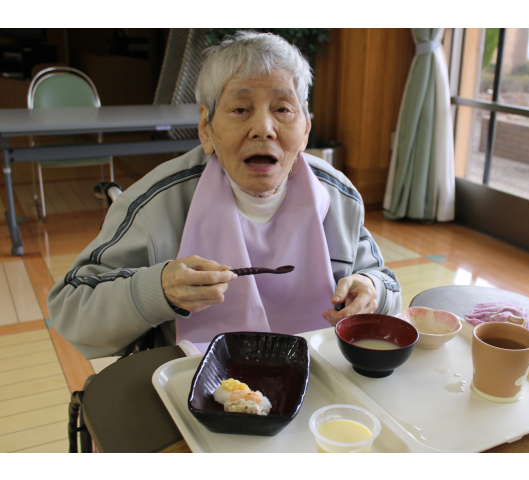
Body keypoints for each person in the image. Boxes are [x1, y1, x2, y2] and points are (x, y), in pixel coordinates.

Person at [47, 31, 401, 358]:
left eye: (282, 109)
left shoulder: (338, 197)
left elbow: (384, 282)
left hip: (317, 371)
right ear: (206, 127)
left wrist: (370, 289)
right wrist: (158, 289)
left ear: (305, 127)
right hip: (193, 381)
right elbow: (70, 306)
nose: (263, 129)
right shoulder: (154, 204)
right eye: (240, 110)